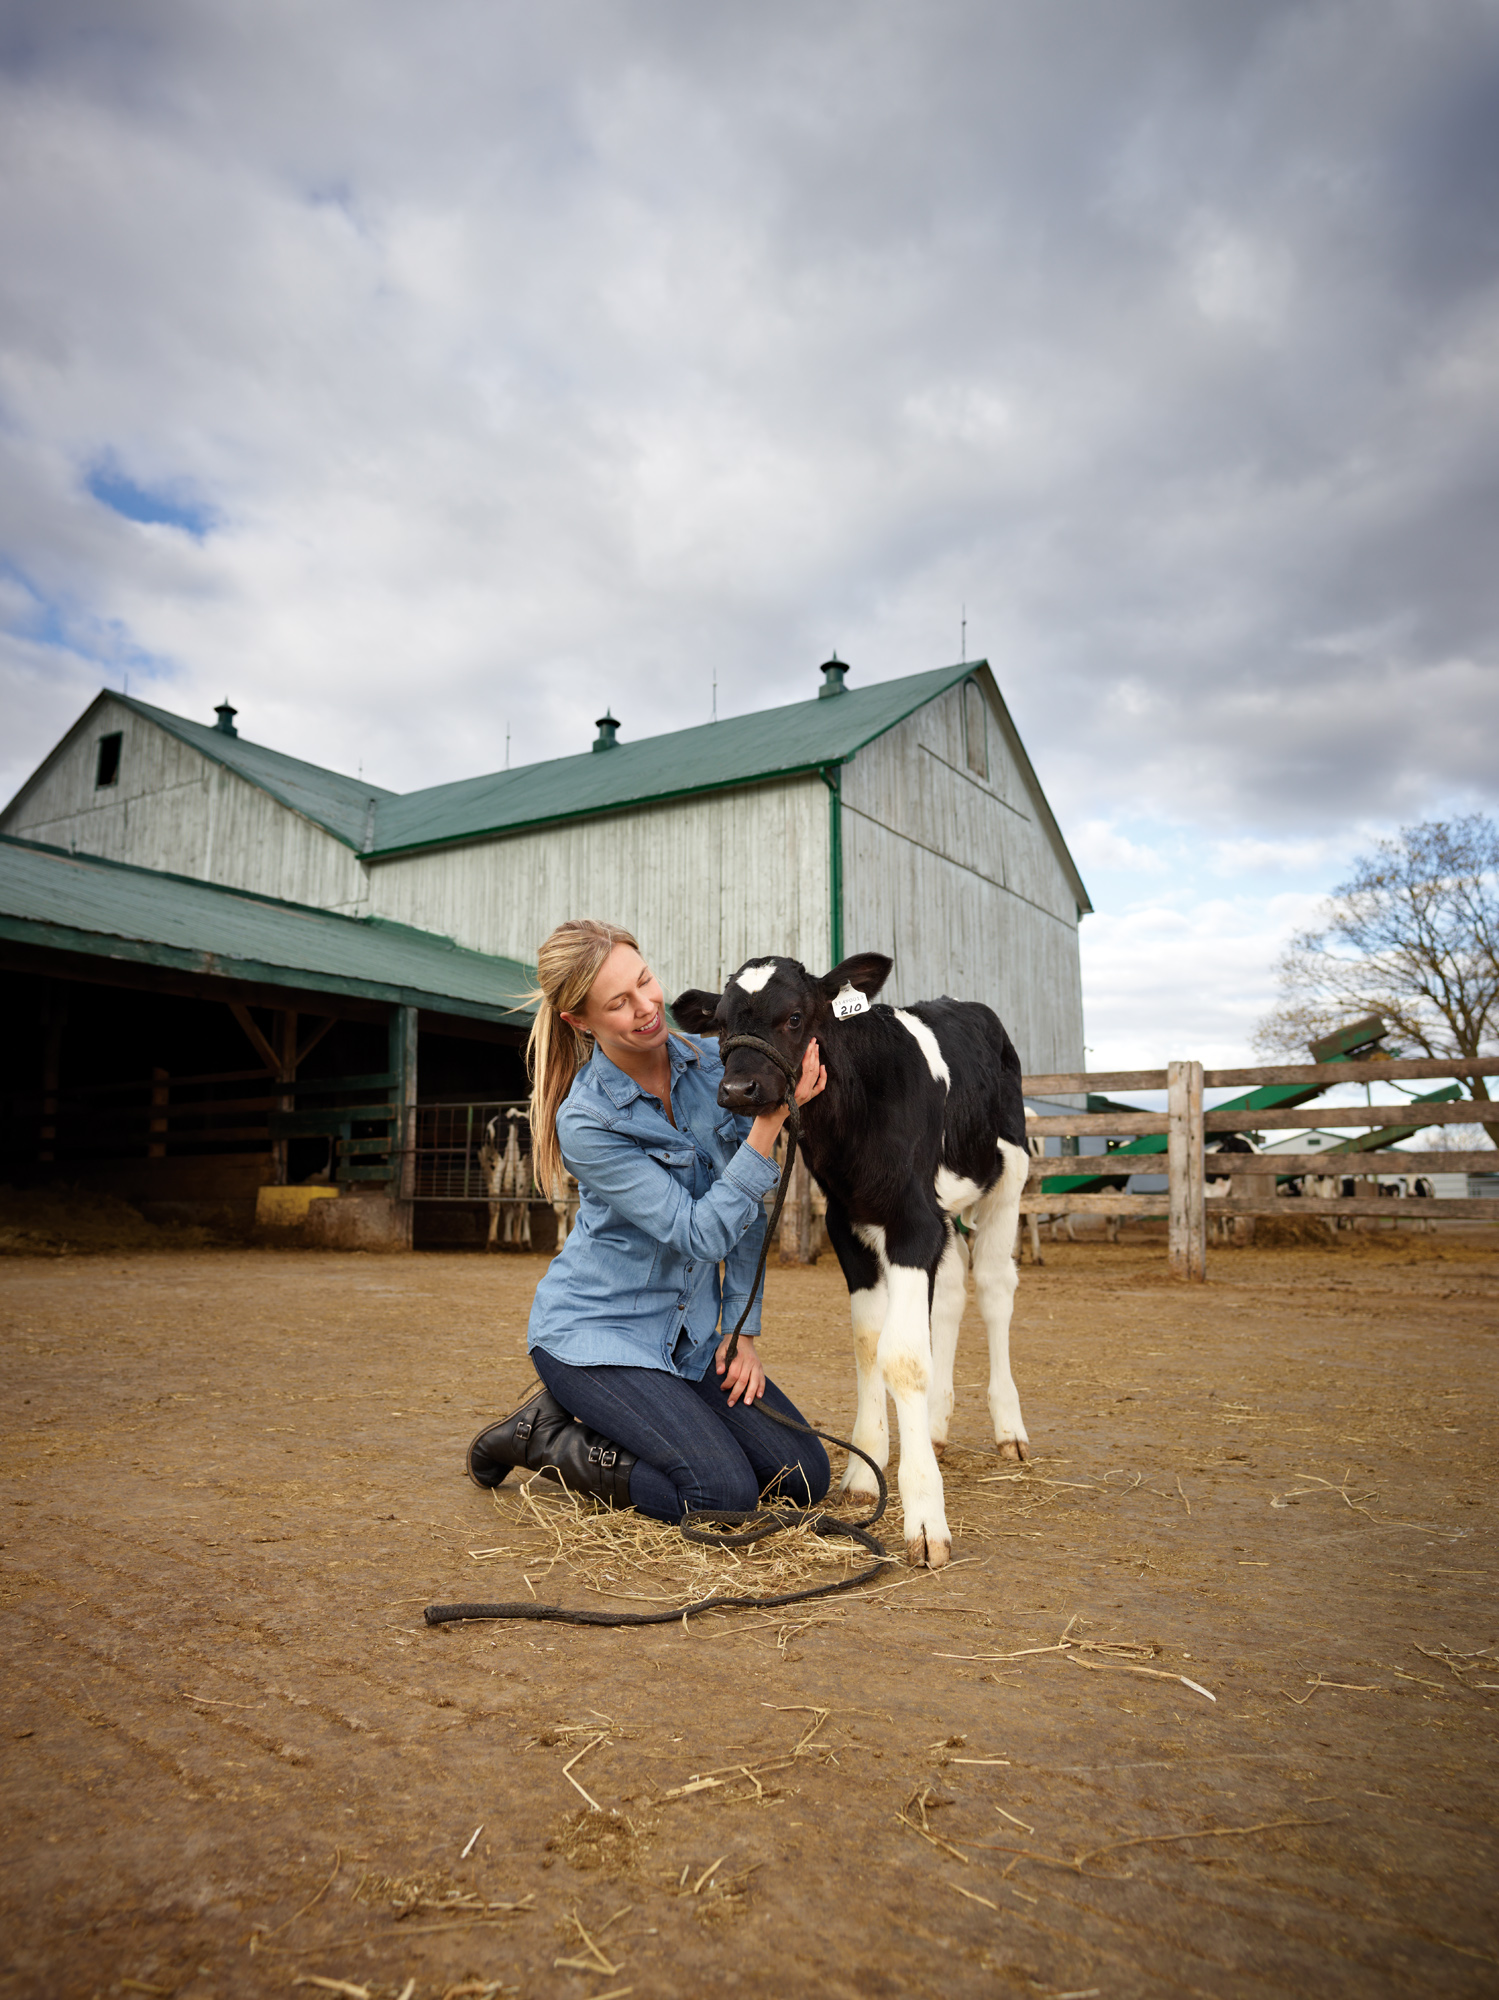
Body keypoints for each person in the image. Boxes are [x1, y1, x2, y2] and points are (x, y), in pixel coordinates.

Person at [466, 918, 831, 1521]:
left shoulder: (719, 1063)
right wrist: (767, 1127)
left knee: (804, 1479)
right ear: (579, 1022)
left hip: (689, 1338)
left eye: (645, 981)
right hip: (598, 1335)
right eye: (618, 1002)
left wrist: (742, 1329)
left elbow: (743, 1221)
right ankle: (548, 1440)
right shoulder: (586, 1121)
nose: (646, 1007)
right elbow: (698, 1232)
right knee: (722, 1498)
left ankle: (635, 1421)